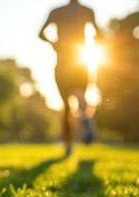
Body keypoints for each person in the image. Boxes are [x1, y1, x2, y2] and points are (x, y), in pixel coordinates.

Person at [39, 0, 98, 156]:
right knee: (80, 95)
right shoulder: (87, 10)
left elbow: (41, 33)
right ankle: (85, 118)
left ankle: (68, 145)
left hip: (63, 62)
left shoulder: (56, 11)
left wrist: (55, 44)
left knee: (66, 106)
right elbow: (99, 34)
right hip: (80, 59)